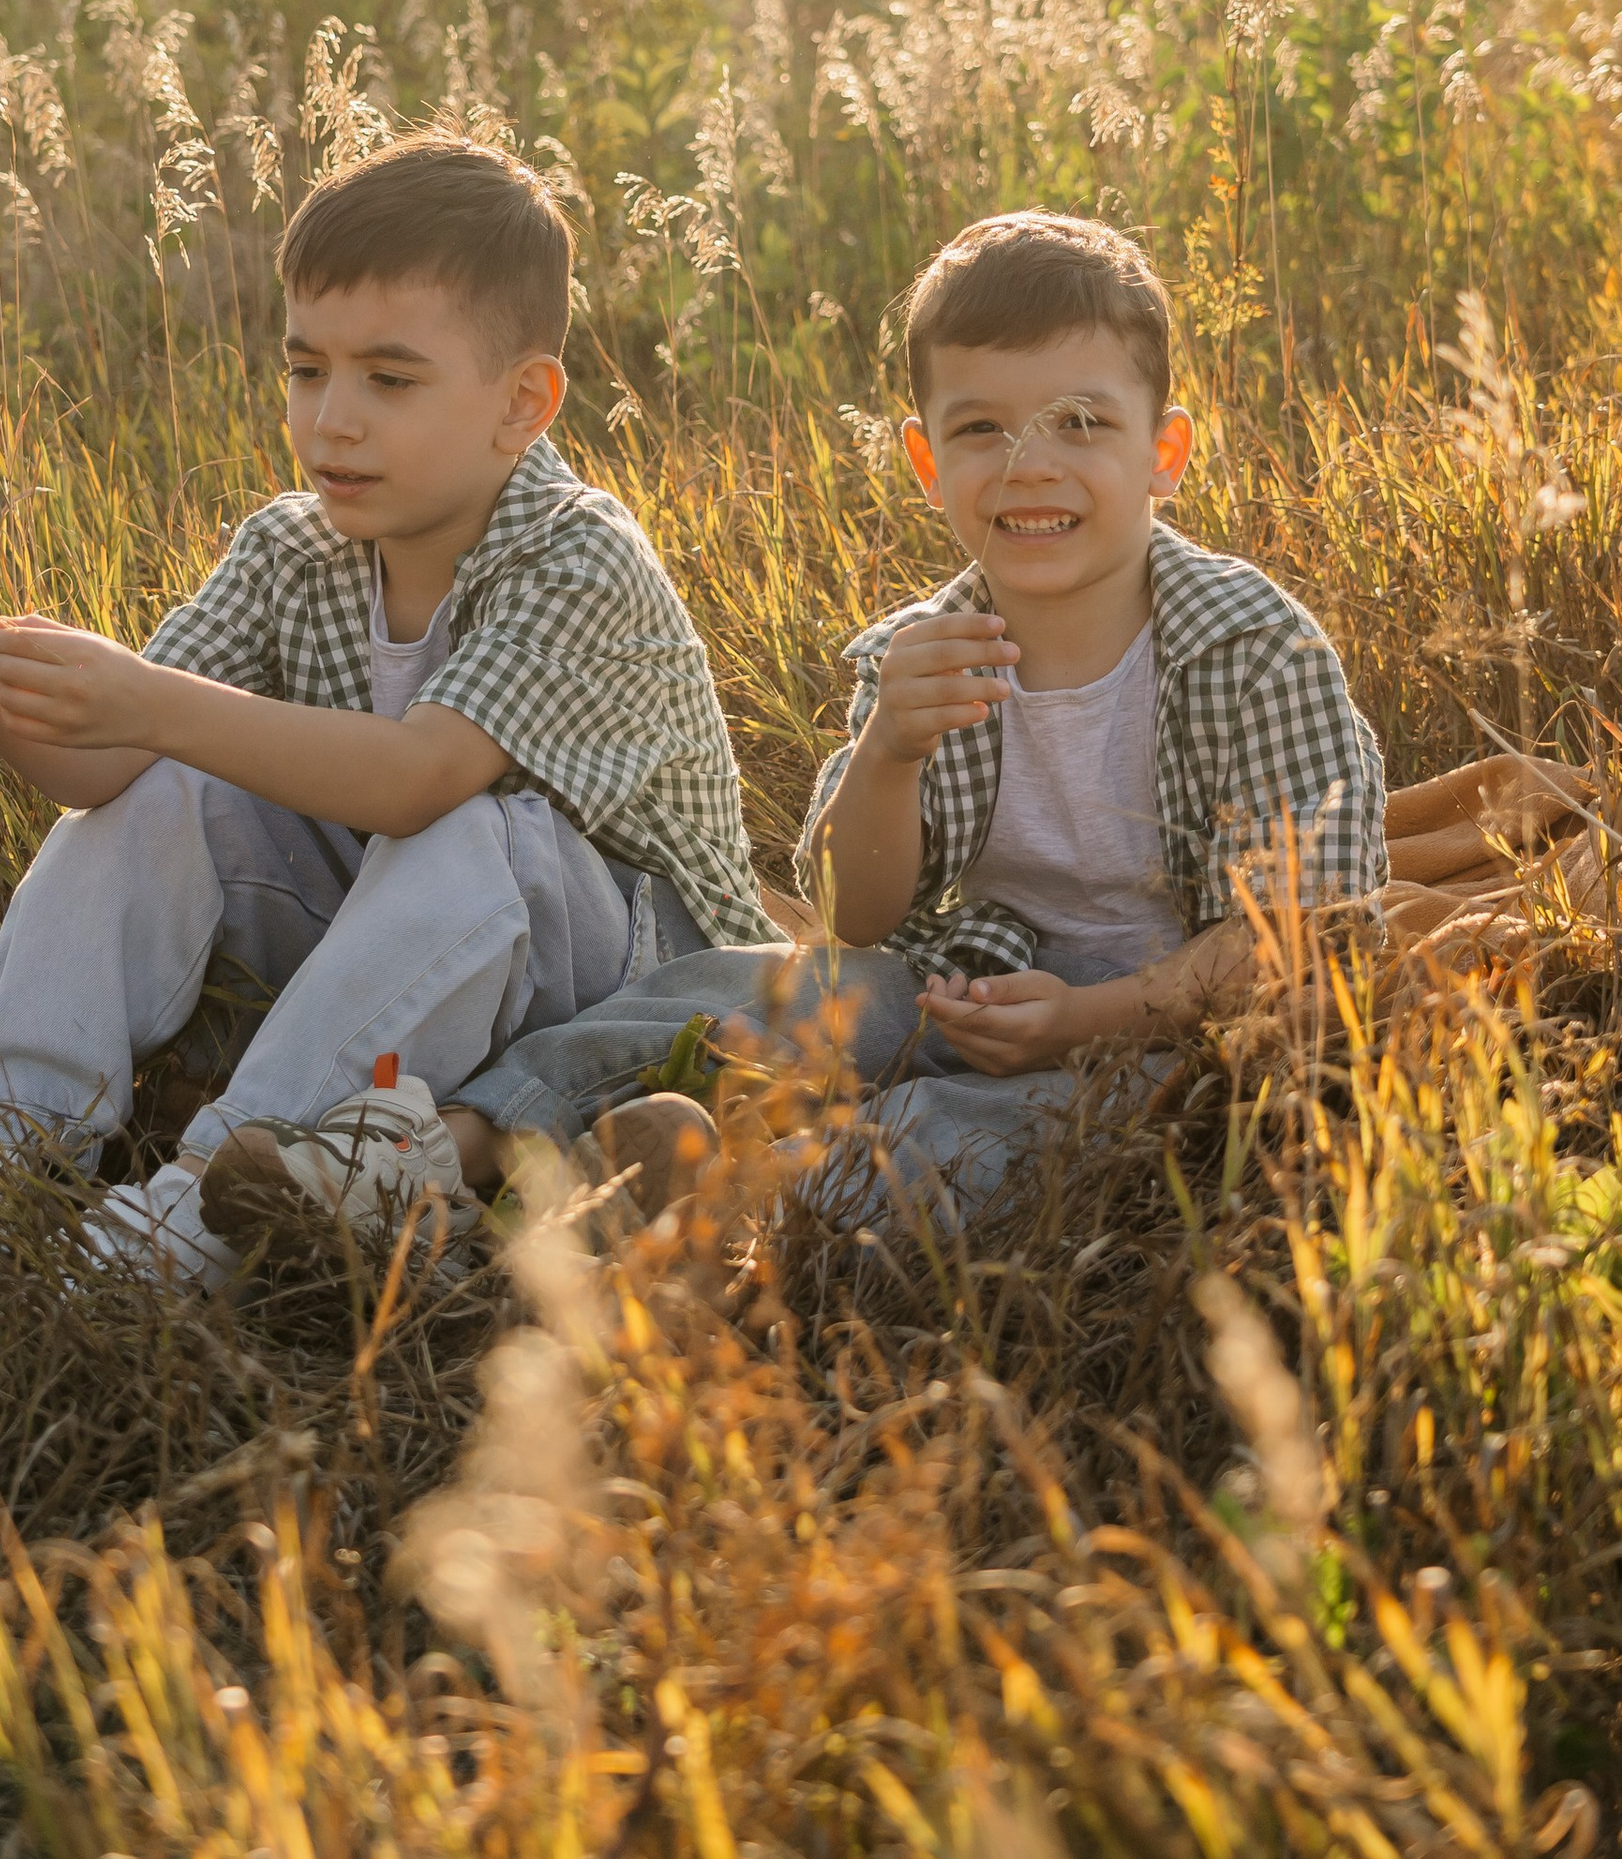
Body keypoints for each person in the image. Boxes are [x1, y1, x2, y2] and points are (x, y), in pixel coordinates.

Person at [0, 134, 775, 1354]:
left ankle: (189, 1221)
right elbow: (105, 772)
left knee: (472, 817)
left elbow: (418, 778)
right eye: (306, 369)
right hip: (410, 949)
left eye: (389, 379)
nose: (333, 420)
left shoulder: (577, 553)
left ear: (522, 405)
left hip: (628, 974)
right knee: (163, 793)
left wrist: (151, 702)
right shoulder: (290, 548)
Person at [449, 209, 1388, 1219]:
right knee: (731, 988)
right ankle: (440, 1153)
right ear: (927, 461)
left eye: (1079, 422)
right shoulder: (926, 652)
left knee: (958, 1136)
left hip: (1162, 1031)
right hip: (966, 983)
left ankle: (715, 1207)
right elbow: (853, 918)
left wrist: (1084, 1019)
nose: (1028, 464)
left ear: (1164, 452)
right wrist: (889, 750)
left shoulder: (1250, 647)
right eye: (982, 429)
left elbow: (1304, 932)